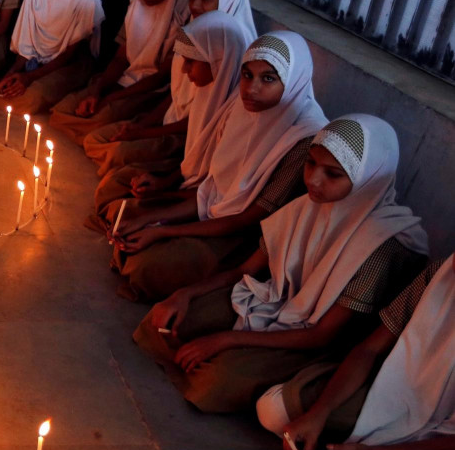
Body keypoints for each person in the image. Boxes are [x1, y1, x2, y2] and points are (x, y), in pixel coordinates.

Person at [134, 114, 428, 415]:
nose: (313, 180)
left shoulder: (382, 245)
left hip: (313, 342)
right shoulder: (307, 206)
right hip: (274, 303)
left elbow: (322, 335)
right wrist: (183, 295)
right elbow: (243, 270)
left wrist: (224, 339)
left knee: (217, 379)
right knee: (166, 323)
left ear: (371, 177)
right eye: (311, 163)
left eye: (333, 174)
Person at [113, 32, 328, 302]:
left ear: (294, 79)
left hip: (243, 239)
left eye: (268, 79)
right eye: (247, 75)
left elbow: (245, 219)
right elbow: (211, 189)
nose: (251, 88)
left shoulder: (304, 139)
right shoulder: (242, 107)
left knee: (148, 267)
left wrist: (162, 229)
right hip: (213, 213)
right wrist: (151, 220)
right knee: (127, 218)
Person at [257, 255, 455, 450]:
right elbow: (370, 349)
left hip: (443, 445)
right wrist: (319, 413)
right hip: (396, 393)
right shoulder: (441, 272)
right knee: (273, 410)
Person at [83, 0, 255, 175]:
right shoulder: (194, 27)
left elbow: (202, 119)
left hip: (189, 137)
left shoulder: (235, 49)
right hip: (168, 120)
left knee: (117, 154)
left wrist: (146, 132)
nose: (195, 5)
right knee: (95, 139)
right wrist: (145, 124)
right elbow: (176, 93)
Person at [91, 10, 253, 227]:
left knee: (125, 216)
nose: (184, 70)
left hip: (207, 206)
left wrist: (164, 189)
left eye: (190, 62)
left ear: (217, 60)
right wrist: (164, 183)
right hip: (185, 182)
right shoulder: (209, 89)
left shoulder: (239, 112)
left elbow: (216, 190)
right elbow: (192, 164)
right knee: (112, 187)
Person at [48, 0, 190, 142]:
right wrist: (98, 91)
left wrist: (110, 97)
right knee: (66, 108)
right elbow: (121, 57)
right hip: (126, 77)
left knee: (101, 116)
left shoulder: (183, 23)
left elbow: (159, 78)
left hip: (150, 91)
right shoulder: (136, 4)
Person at [0, 0, 102, 115]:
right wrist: (12, 73)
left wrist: (28, 78)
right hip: (37, 64)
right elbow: (26, 48)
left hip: (71, 65)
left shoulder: (87, 3)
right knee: (1, 95)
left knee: (27, 100)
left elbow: (69, 55)